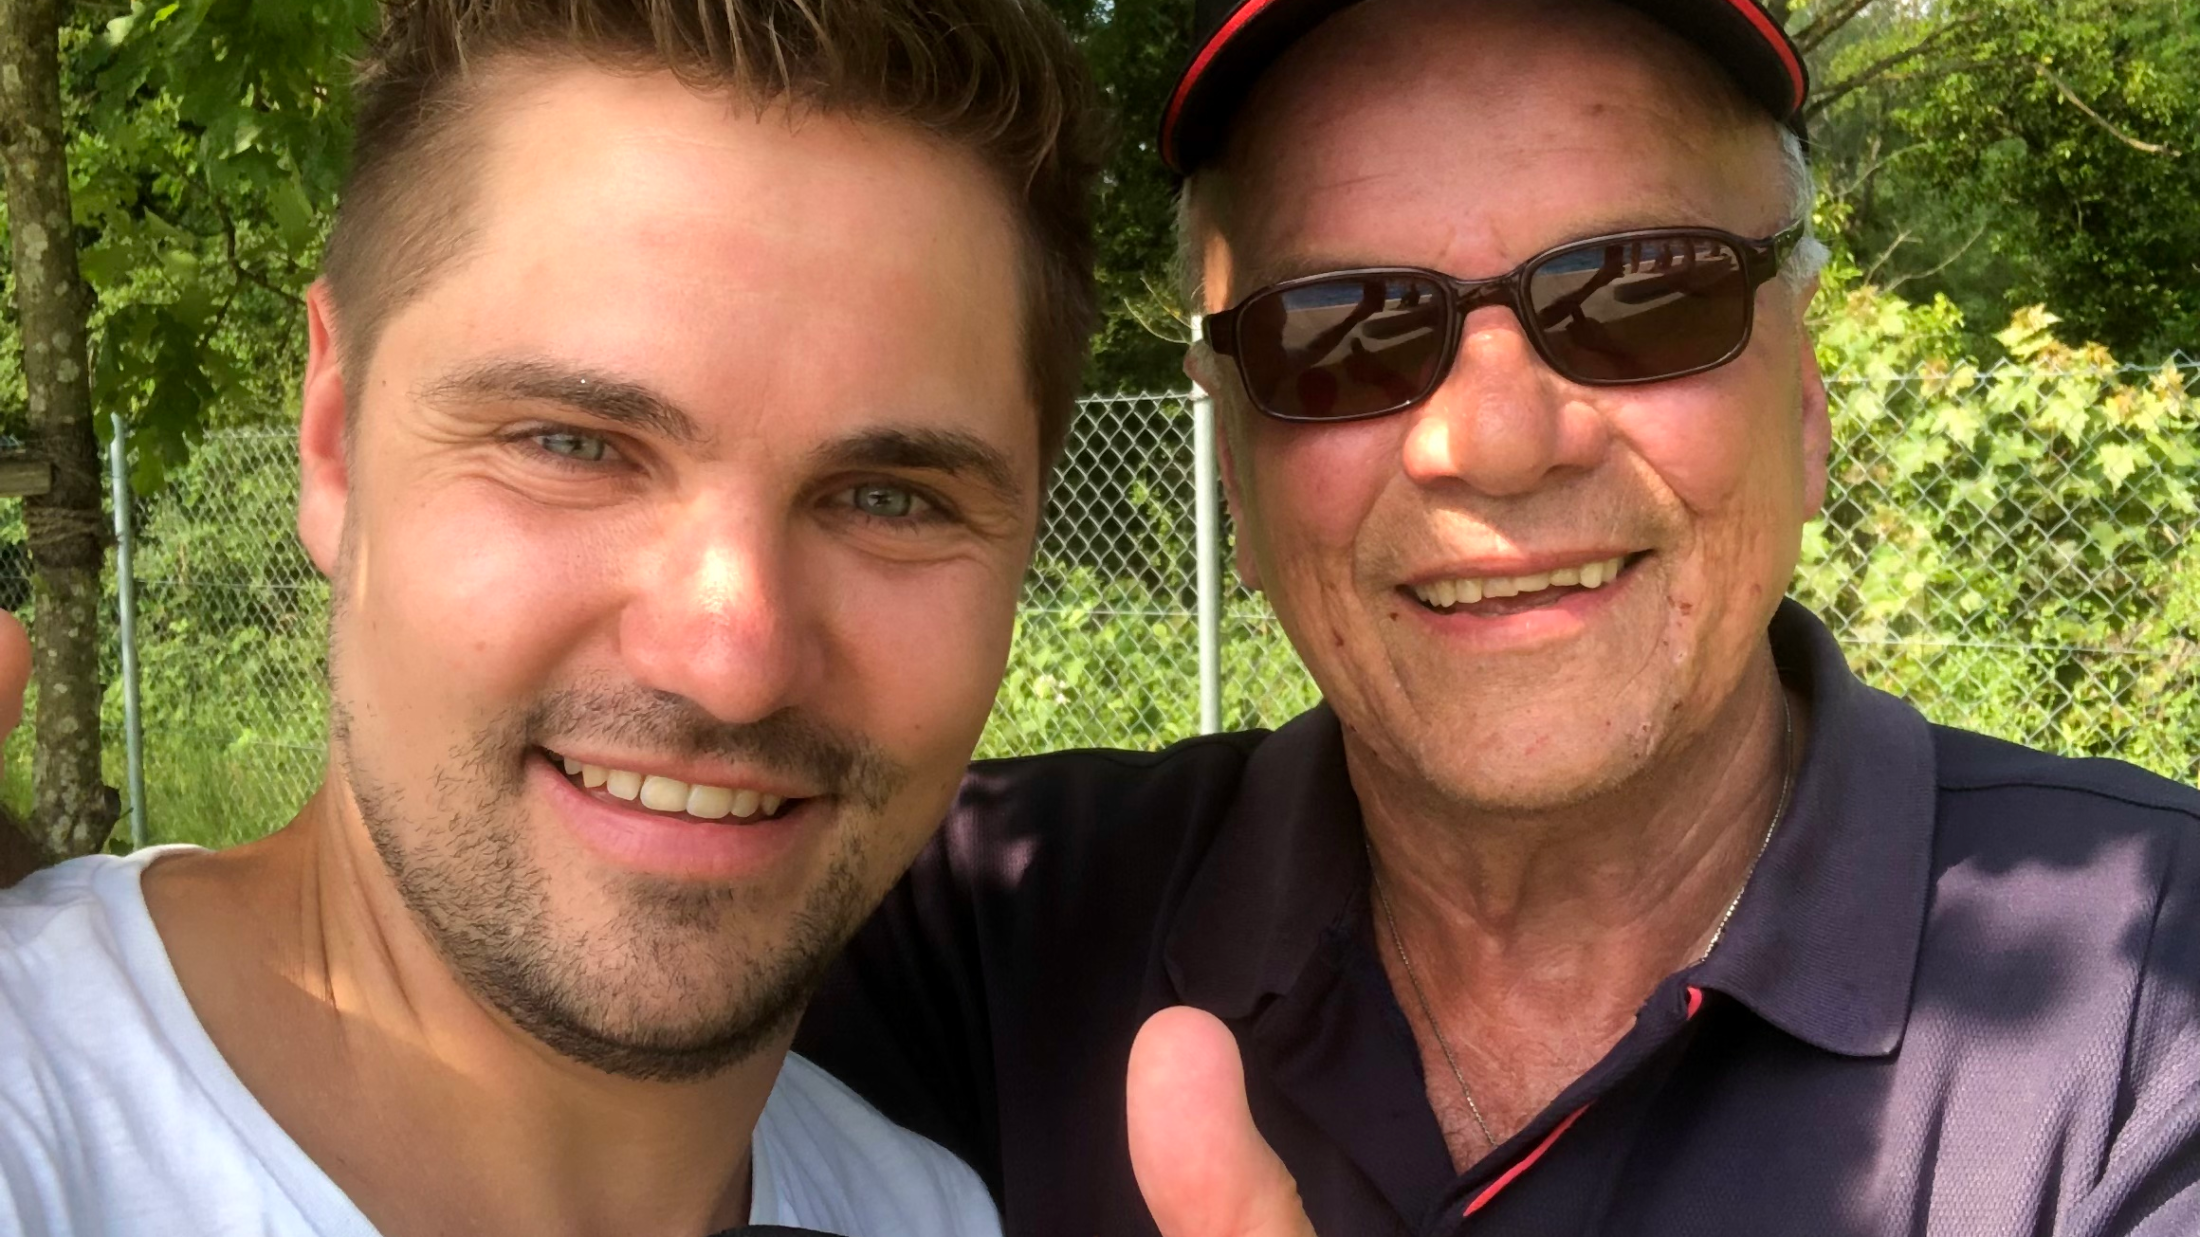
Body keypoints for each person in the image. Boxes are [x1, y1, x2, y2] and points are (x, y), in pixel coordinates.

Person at [795, 1, 2200, 1234]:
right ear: (1233, 472)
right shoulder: (963, 934)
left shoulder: (2149, 1003)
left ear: (1805, 399)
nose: (1497, 441)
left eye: (1641, 291)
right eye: (1341, 330)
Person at [0, 0, 1101, 1232]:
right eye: (571, 444)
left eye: (890, 499)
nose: (730, 659)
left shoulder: (932, 1211)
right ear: (336, 439)